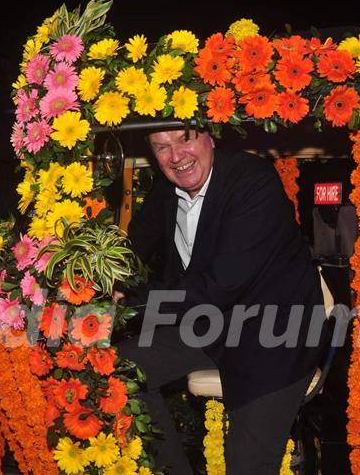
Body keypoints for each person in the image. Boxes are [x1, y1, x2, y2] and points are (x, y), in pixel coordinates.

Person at [116, 128, 328, 474]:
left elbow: (219, 287)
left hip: (273, 331)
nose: (176, 156)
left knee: (248, 466)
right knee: (118, 370)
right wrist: (96, 276)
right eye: (162, 147)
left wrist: (129, 300)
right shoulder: (166, 190)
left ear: (210, 138)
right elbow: (133, 248)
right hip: (210, 324)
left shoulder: (253, 182)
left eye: (185, 139)